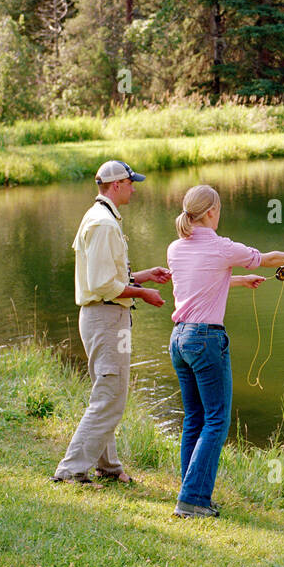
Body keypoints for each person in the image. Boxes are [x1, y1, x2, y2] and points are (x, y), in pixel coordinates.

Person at [166, 184, 284, 518]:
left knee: (195, 419)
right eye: (220, 208)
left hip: (179, 340)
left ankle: (191, 493)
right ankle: (192, 500)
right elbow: (267, 258)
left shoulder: (176, 248)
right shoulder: (220, 247)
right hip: (206, 341)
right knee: (216, 419)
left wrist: (240, 281)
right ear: (212, 211)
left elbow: (196, 282)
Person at [52, 161, 171, 486]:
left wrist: (143, 276)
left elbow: (104, 276)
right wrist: (143, 292)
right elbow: (104, 285)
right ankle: (72, 470)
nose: (134, 188)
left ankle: (108, 466)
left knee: (108, 391)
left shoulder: (98, 217)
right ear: (117, 184)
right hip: (106, 317)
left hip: (101, 316)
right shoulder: (104, 223)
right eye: (131, 183)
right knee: (111, 395)